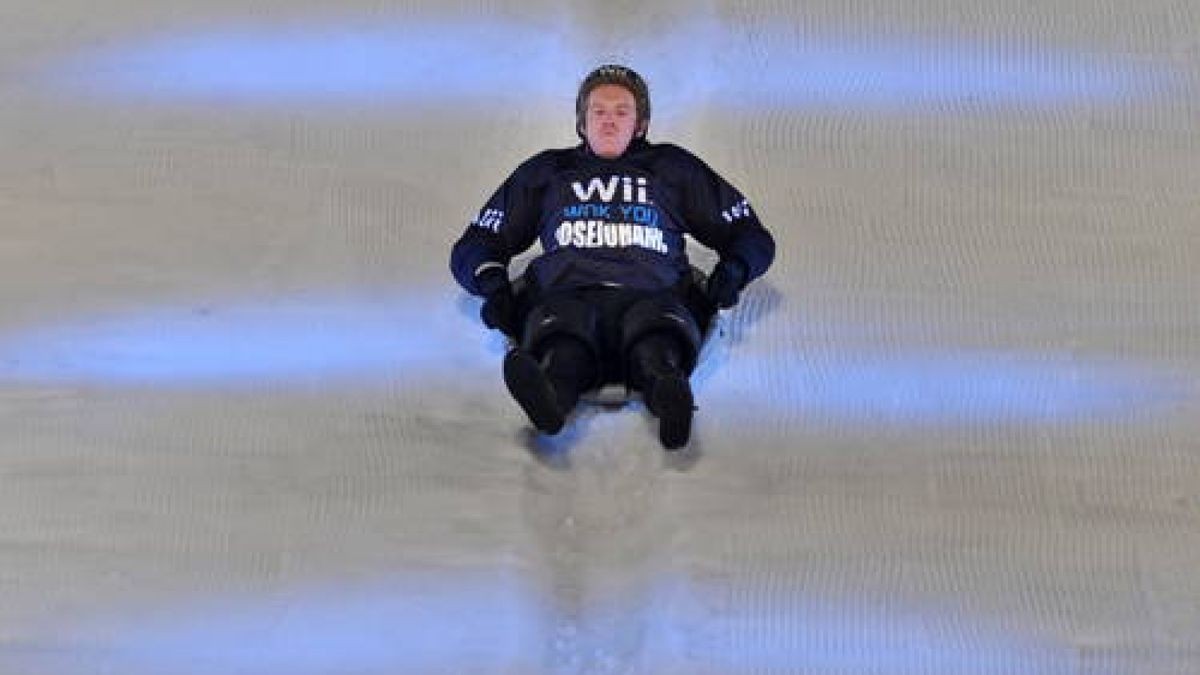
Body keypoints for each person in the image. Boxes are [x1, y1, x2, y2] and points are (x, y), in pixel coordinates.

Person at [450, 64, 774, 449]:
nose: (608, 123)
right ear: (581, 122)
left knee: (655, 338)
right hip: (567, 294)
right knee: (563, 338)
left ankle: (669, 394)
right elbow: (477, 242)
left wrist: (733, 271)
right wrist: (494, 286)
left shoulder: (673, 168)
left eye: (622, 113)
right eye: (598, 112)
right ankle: (550, 398)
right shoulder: (548, 171)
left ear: (640, 124)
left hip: (655, 295)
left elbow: (751, 235)